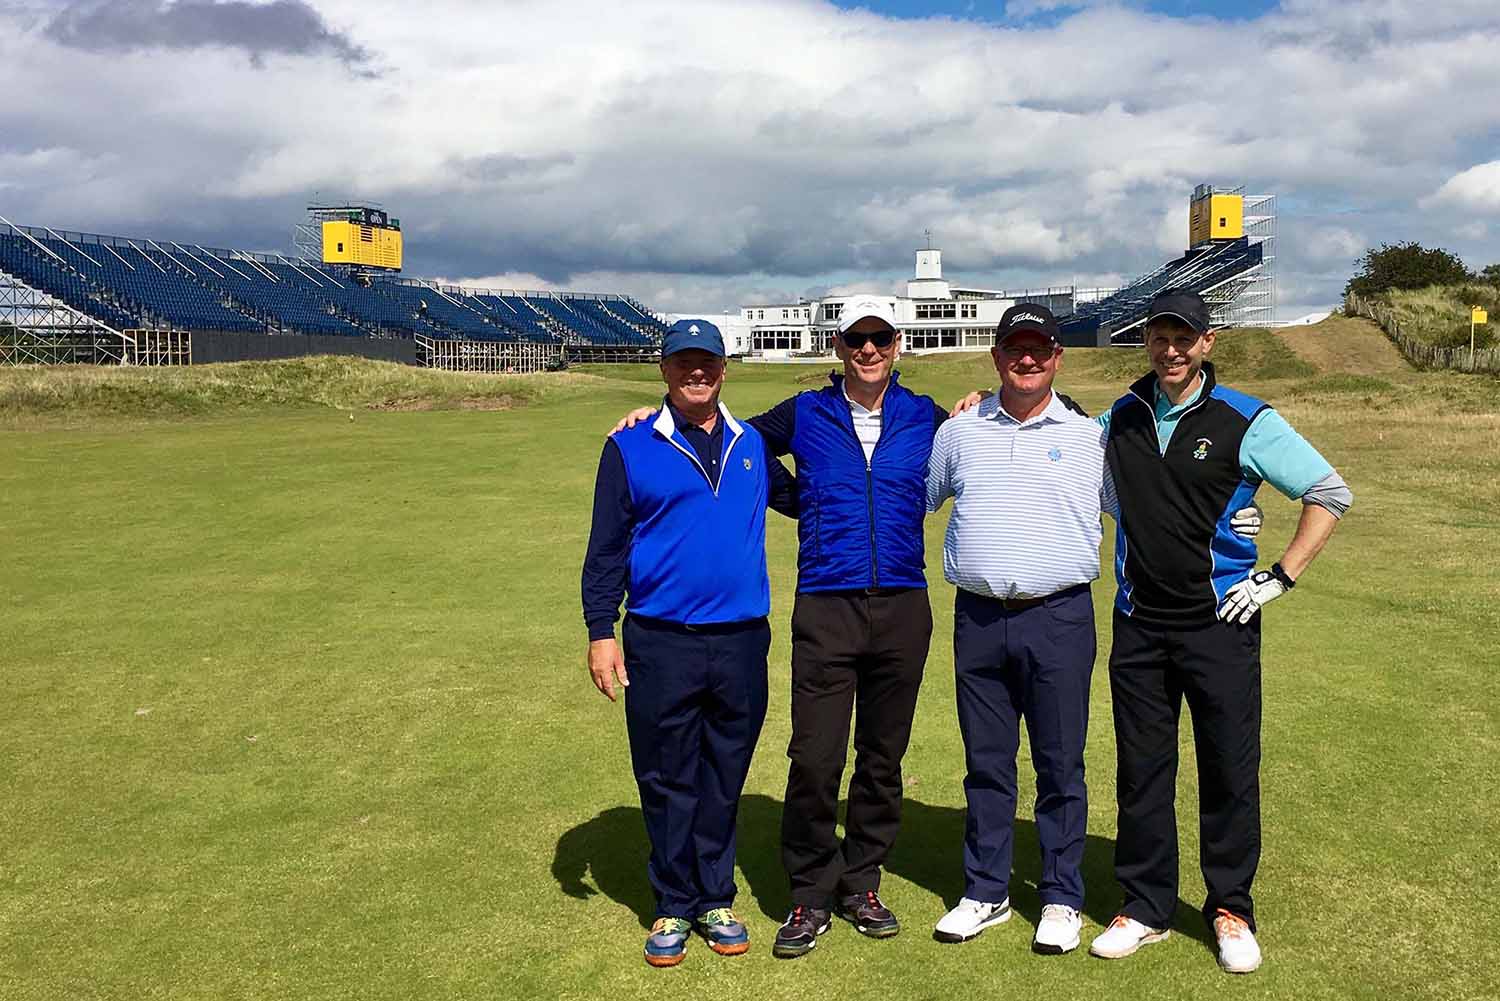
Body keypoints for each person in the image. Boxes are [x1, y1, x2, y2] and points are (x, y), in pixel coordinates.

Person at [611, 296, 950, 958]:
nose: (869, 350)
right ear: (839, 347)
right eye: (857, 339)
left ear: (898, 345)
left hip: (905, 602)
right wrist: (655, 420)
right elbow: (727, 435)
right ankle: (811, 891)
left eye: (880, 338)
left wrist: (973, 402)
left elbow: (988, 432)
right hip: (827, 601)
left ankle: (863, 882)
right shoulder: (804, 412)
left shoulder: (927, 415)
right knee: (817, 758)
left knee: (882, 758)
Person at [927, 306, 1262, 955]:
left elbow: (1154, 504)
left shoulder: (1090, 436)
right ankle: (986, 889)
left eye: (1040, 349)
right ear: (996, 356)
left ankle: (1060, 895)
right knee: (987, 762)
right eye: (1015, 349)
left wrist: (1235, 527)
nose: (1028, 360)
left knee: (1059, 763)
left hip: (1060, 617)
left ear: (1058, 357)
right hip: (978, 616)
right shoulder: (959, 431)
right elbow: (925, 493)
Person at [1086, 290, 1351, 975]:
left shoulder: (1245, 418)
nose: (1170, 349)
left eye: (1185, 337)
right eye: (1159, 336)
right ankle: (1146, 905)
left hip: (1220, 624)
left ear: (1208, 342)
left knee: (1228, 768)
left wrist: (1279, 575)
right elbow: (1088, 481)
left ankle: (1230, 906)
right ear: (1146, 341)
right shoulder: (1121, 415)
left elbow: (1328, 493)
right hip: (1140, 624)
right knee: (1143, 771)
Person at [580, 319, 797, 968]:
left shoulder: (752, 442)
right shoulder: (630, 445)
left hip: (739, 641)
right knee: (668, 773)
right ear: (665, 370)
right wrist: (600, 631)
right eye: (683, 362)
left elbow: (814, 498)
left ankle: (714, 897)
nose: (695, 372)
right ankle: (674, 900)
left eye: (706, 361)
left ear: (724, 368)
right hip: (660, 639)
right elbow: (606, 549)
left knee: (723, 773)